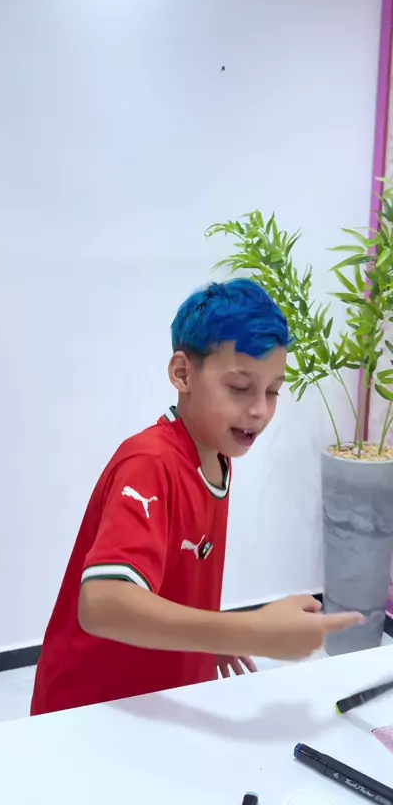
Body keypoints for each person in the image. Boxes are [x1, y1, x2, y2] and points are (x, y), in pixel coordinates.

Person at [31, 279, 362, 715]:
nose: (260, 409)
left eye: (272, 391)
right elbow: (102, 603)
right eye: (239, 387)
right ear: (183, 374)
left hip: (161, 702)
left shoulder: (215, 457)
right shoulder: (151, 464)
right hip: (90, 712)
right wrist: (246, 630)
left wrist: (210, 640)